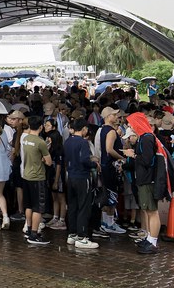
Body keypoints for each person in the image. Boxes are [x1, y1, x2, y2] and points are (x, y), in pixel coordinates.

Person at [128, 112, 161, 255]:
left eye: (131, 124)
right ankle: (149, 238)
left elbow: (147, 160)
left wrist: (133, 155)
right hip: (144, 178)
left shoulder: (147, 139)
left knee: (152, 211)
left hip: (148, 179)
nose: (130, 126)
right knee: (148, 210)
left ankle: (153, 241)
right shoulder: (145, 138)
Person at [63, 118, 97, 250]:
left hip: (70, 176)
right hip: (82, 177)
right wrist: (94, 164)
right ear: (83, 129)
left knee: (72, 205)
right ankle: (82, 236)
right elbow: (84, 160)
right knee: (83, 206)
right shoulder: (83, 142)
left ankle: (72, 233)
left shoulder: (68, 141)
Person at [19, 115, 52, 245]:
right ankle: (34, 234)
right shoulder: (40, 142)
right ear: (41, 127)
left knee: (28, 205)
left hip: (26, 175)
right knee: (38, 207)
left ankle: (28, 229)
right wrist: (44, 158)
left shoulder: (25, 139)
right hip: (37, 176)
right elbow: (48, 162)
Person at [96, 107, 127, 236]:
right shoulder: (111, 131)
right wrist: (122, 157)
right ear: (109, 116)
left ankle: (105, 223)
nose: (117, 117)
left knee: (105, 194)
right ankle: (109, 223)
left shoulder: (102, 130)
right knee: (112, 195)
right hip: (110, 167)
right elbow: (109, 149)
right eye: (114, 115)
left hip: (105, 166)